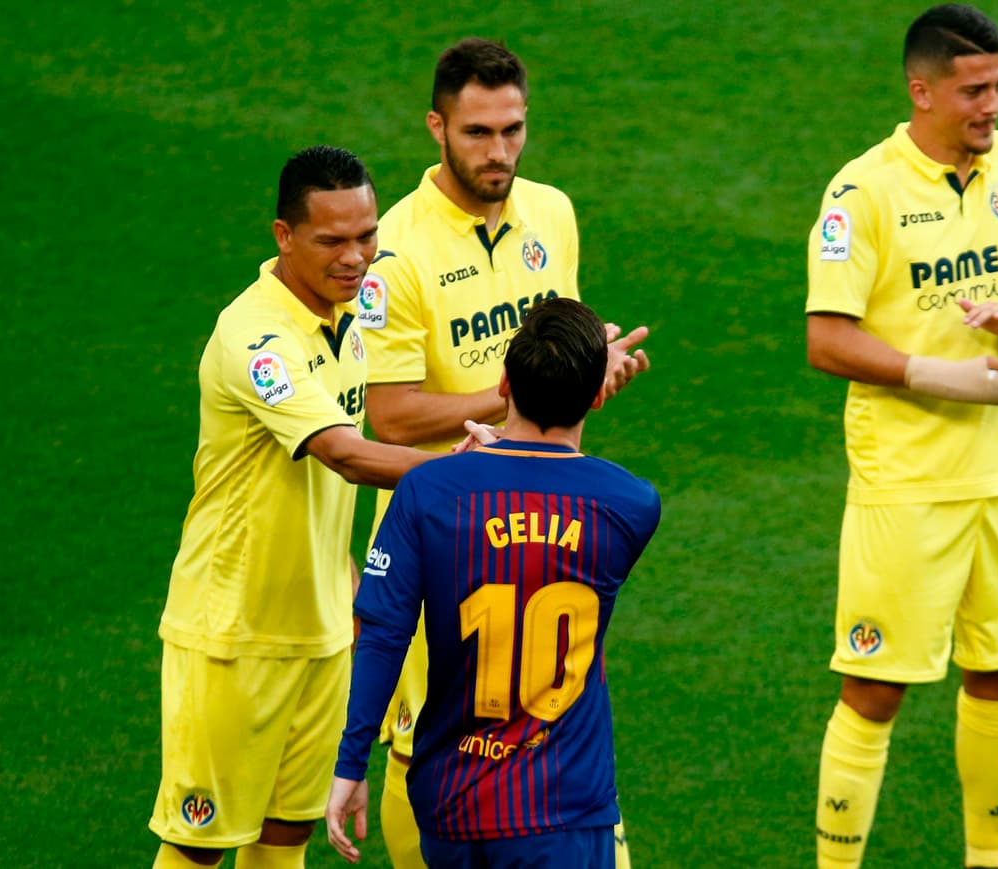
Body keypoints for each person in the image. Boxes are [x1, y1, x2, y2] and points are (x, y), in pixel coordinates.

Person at [355, 36, 649, 868]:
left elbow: (564, 343)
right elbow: (394, 415)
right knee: (434, 739)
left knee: (548, 718)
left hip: (546, 520)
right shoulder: (395, 251)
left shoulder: (551, 212)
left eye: (513, 129)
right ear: (436, 128)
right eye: (479, 132)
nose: (500, 151)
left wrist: (589, 373)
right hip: (444, 532)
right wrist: (526, 392)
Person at [805, 5, 998, 868]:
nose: (991, 105)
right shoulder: (862, 193)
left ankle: (988, 861)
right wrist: (942, 375)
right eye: (973, 90)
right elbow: (826, 338)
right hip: (909, 484)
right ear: (921, 91)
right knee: (876, 687)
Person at [148, 145, 441, 869]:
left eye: (367, 235)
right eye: (333, 241)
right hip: (233, 636)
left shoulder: (347, 315)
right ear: (283, 236)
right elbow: (344, 452)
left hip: (320, 631)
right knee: (199, 845)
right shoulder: (257, 338)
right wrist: (468, 475)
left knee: (286, 836)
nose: (357, 257)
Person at [327, 297, 662, 867]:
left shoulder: (428, 495)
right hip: (562, 806)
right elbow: (560, 499)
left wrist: (351, 764)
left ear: (503, 383)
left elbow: (382, 635)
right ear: (596, 395)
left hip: (452, 805)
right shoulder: (631, 505)